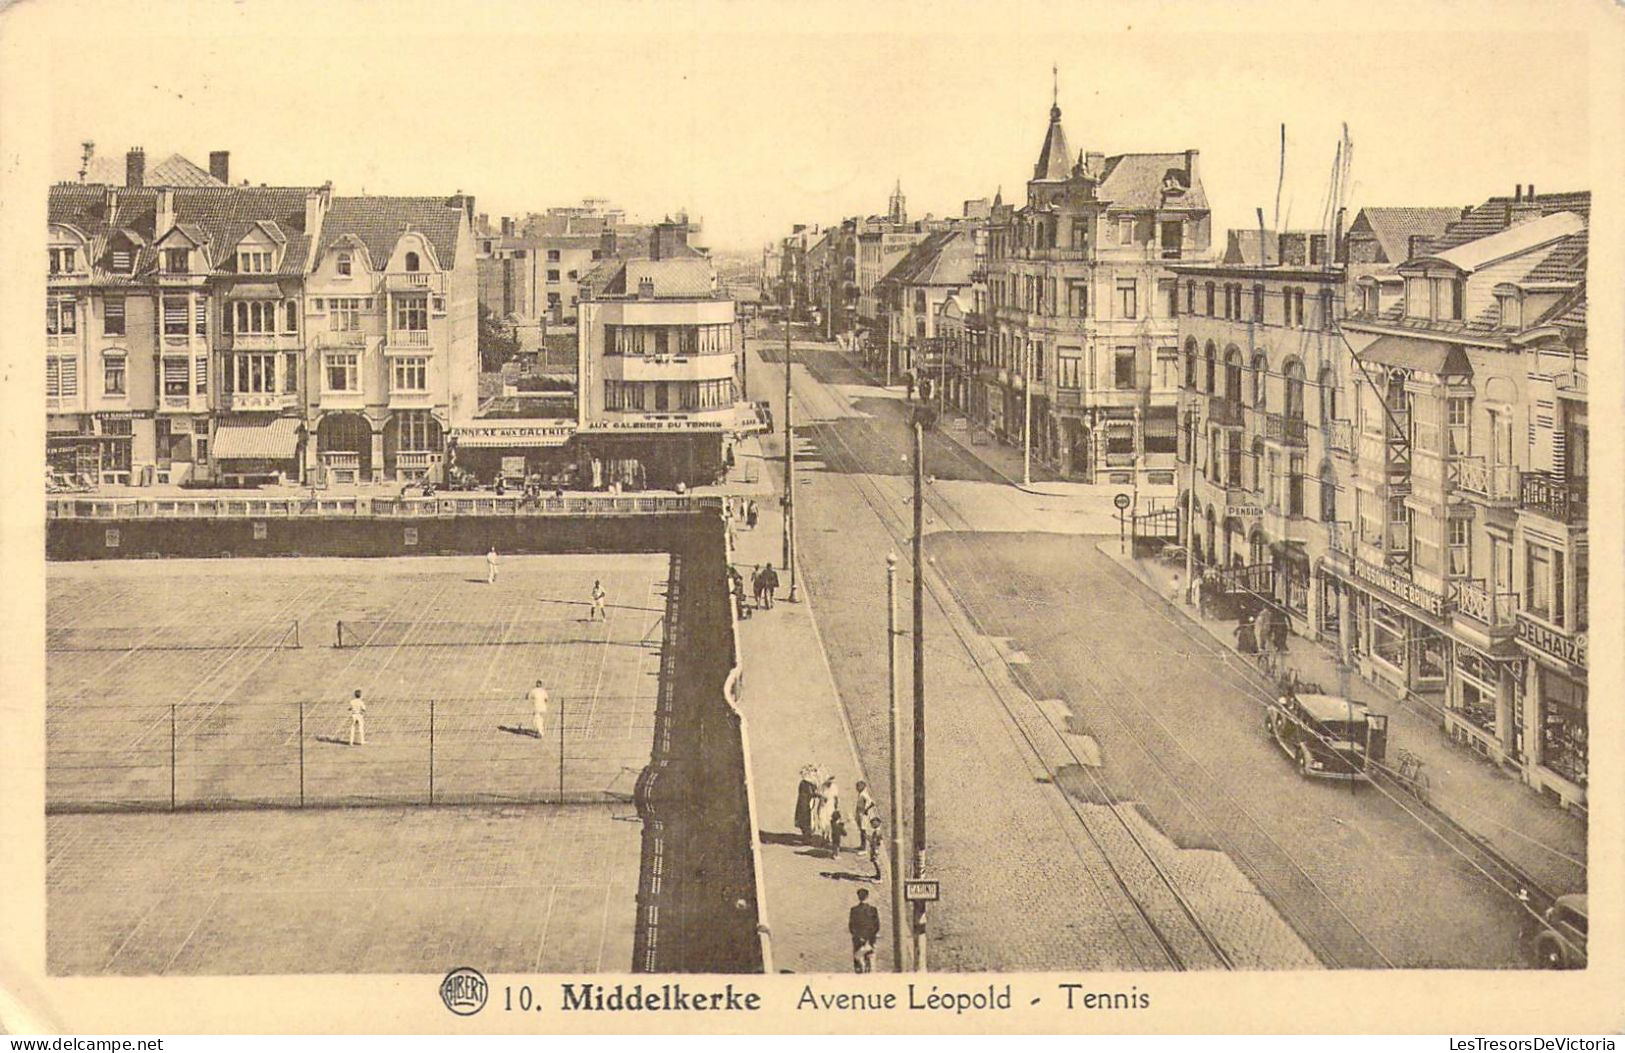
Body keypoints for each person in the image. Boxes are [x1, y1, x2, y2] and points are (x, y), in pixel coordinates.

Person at [848, 889, 880, 974]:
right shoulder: (873, 910)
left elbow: (851, 927)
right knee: (871, 960)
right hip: (870, 941)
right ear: (867, 897)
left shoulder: (854, 910)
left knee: (858, 960)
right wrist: (869, 938)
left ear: (858, 897)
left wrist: (859, 937)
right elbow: (877, 926)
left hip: (858, 940)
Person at [794, 766, 818, 841]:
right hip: (805, 804)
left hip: (803, 803)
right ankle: (807, 837)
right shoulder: (807, 784)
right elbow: (811, 793)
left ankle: (806, 835)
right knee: (806, 820)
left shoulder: (803, 783)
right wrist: (821, 795)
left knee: (805, 820)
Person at [854, 781, 876, 851]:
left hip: (862, 814)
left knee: (863, 830)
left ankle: (865, 846)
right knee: (861, 830)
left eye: (858, 787)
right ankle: (862, 845)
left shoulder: (864, 795)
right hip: (860, 813)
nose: (856, 788)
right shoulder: (861, 794)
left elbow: (872, 803)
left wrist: (866, 810)